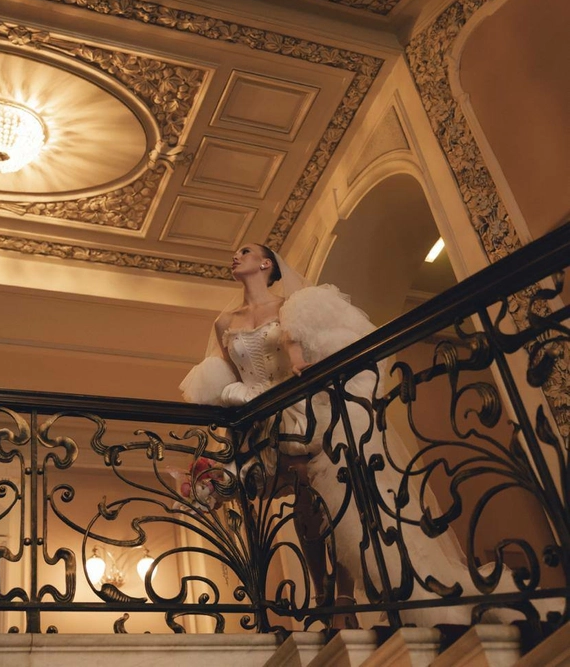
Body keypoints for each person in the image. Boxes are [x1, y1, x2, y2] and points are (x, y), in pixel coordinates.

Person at [179, 244, 554, 628]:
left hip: (303, 410)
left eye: (245, 251)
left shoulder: (290, 306)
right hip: (261, 420)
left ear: (266, 263)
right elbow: (229, 374)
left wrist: (298, 362)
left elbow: (299, 348)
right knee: (304, 500)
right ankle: (321, 593)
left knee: (333, 492)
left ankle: (343, 597)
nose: (236, 255)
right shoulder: (225, 323)